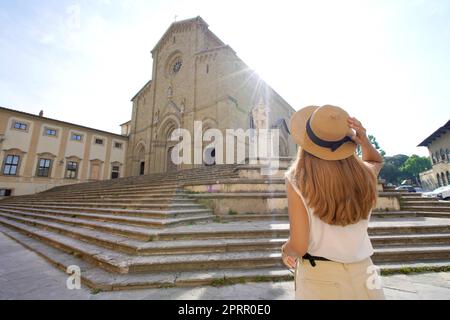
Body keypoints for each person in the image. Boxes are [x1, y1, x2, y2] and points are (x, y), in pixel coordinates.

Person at [282, 105, 385, 300]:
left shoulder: (296, 179)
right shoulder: (364, 174)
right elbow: (376, 162)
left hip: (320, 278)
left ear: (306, 140)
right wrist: (365, 142)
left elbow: (299, 246)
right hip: (366, 273)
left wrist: (285, 249)